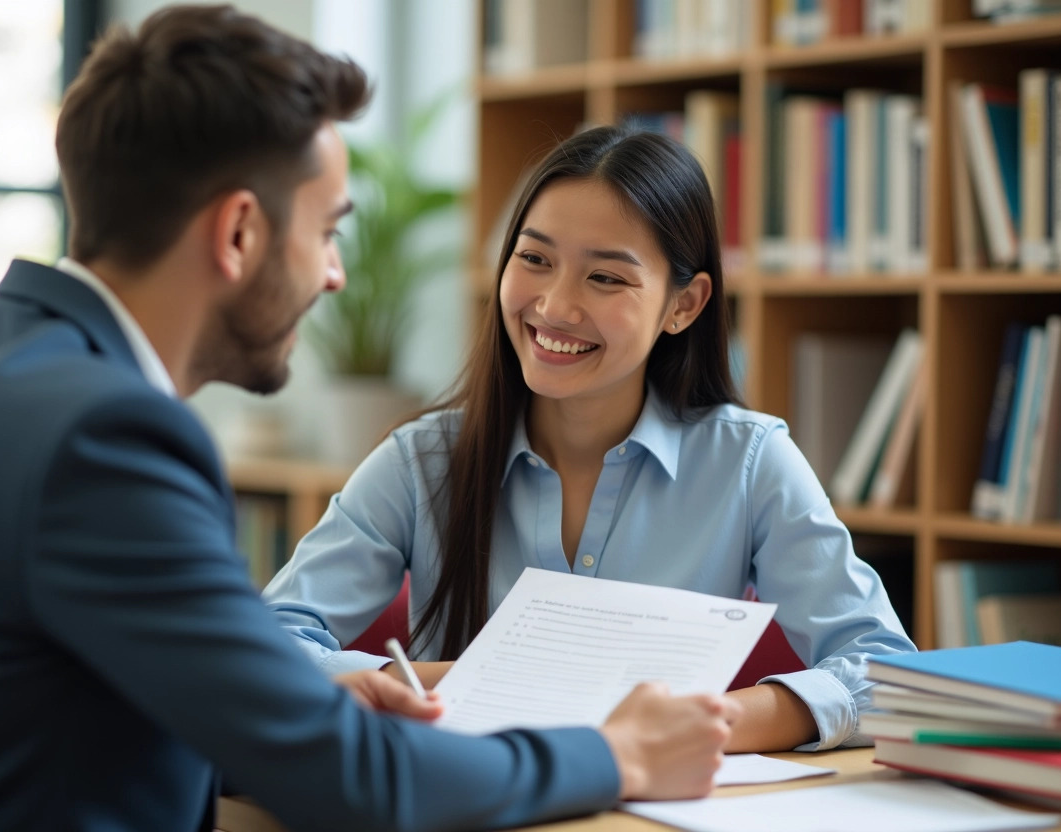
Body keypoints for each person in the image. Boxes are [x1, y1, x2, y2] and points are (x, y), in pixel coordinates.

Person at [0, 7, 742, 832]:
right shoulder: (105, 438)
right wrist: (614, 754)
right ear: (240, 234)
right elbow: (359, 787)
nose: (335, 274)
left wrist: (309, 703)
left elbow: (51, 702)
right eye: (327, 231)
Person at [264, 124, 918, 753]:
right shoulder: (421, 462)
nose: (554, 306)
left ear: (683, 306)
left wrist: (712, 722)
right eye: (534, 259)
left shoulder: (749, 463)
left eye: (605, 277)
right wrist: (458, 683)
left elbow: (885, 674)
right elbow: (266, 645)